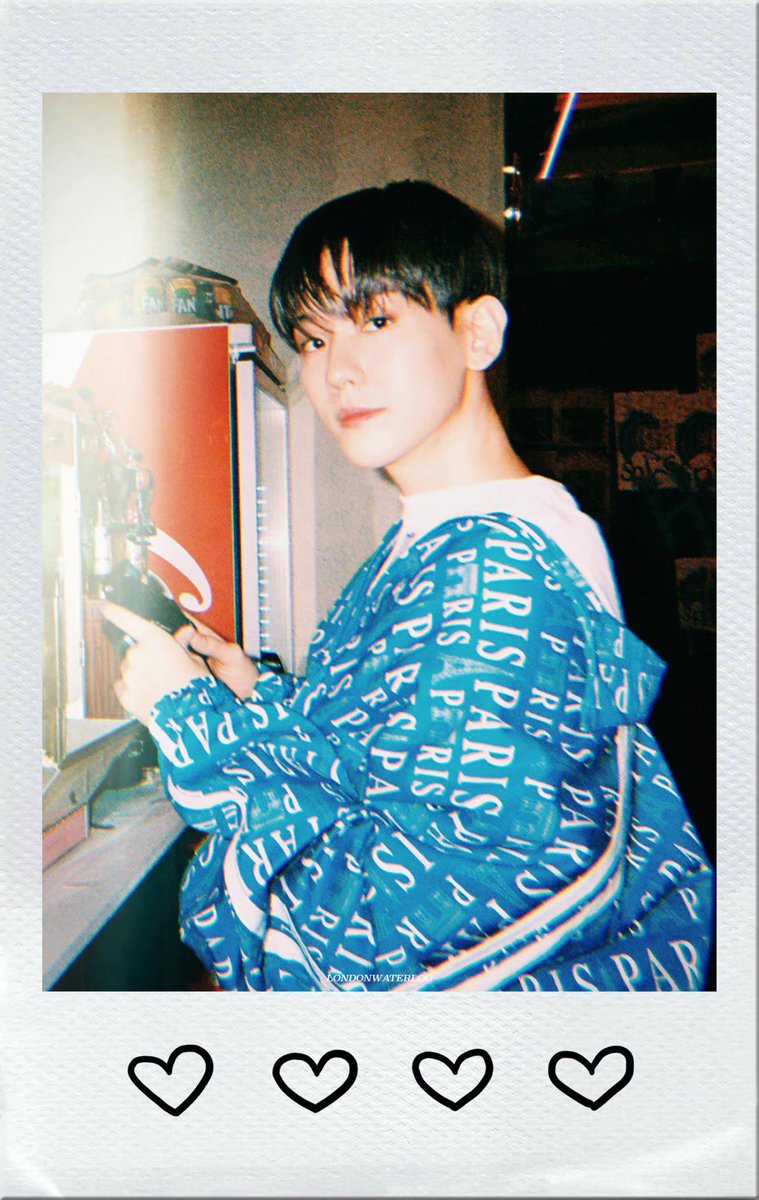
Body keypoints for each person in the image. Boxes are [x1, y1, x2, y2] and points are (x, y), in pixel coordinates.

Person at [103, 180, 714, 992]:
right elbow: (389, 763)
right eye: (313, 340)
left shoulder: (496, 563)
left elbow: (383, 938)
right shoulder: (446, 532)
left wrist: (192, 718)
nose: (337, 372)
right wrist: (255, 691)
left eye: (376, 321)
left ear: (477, 332)